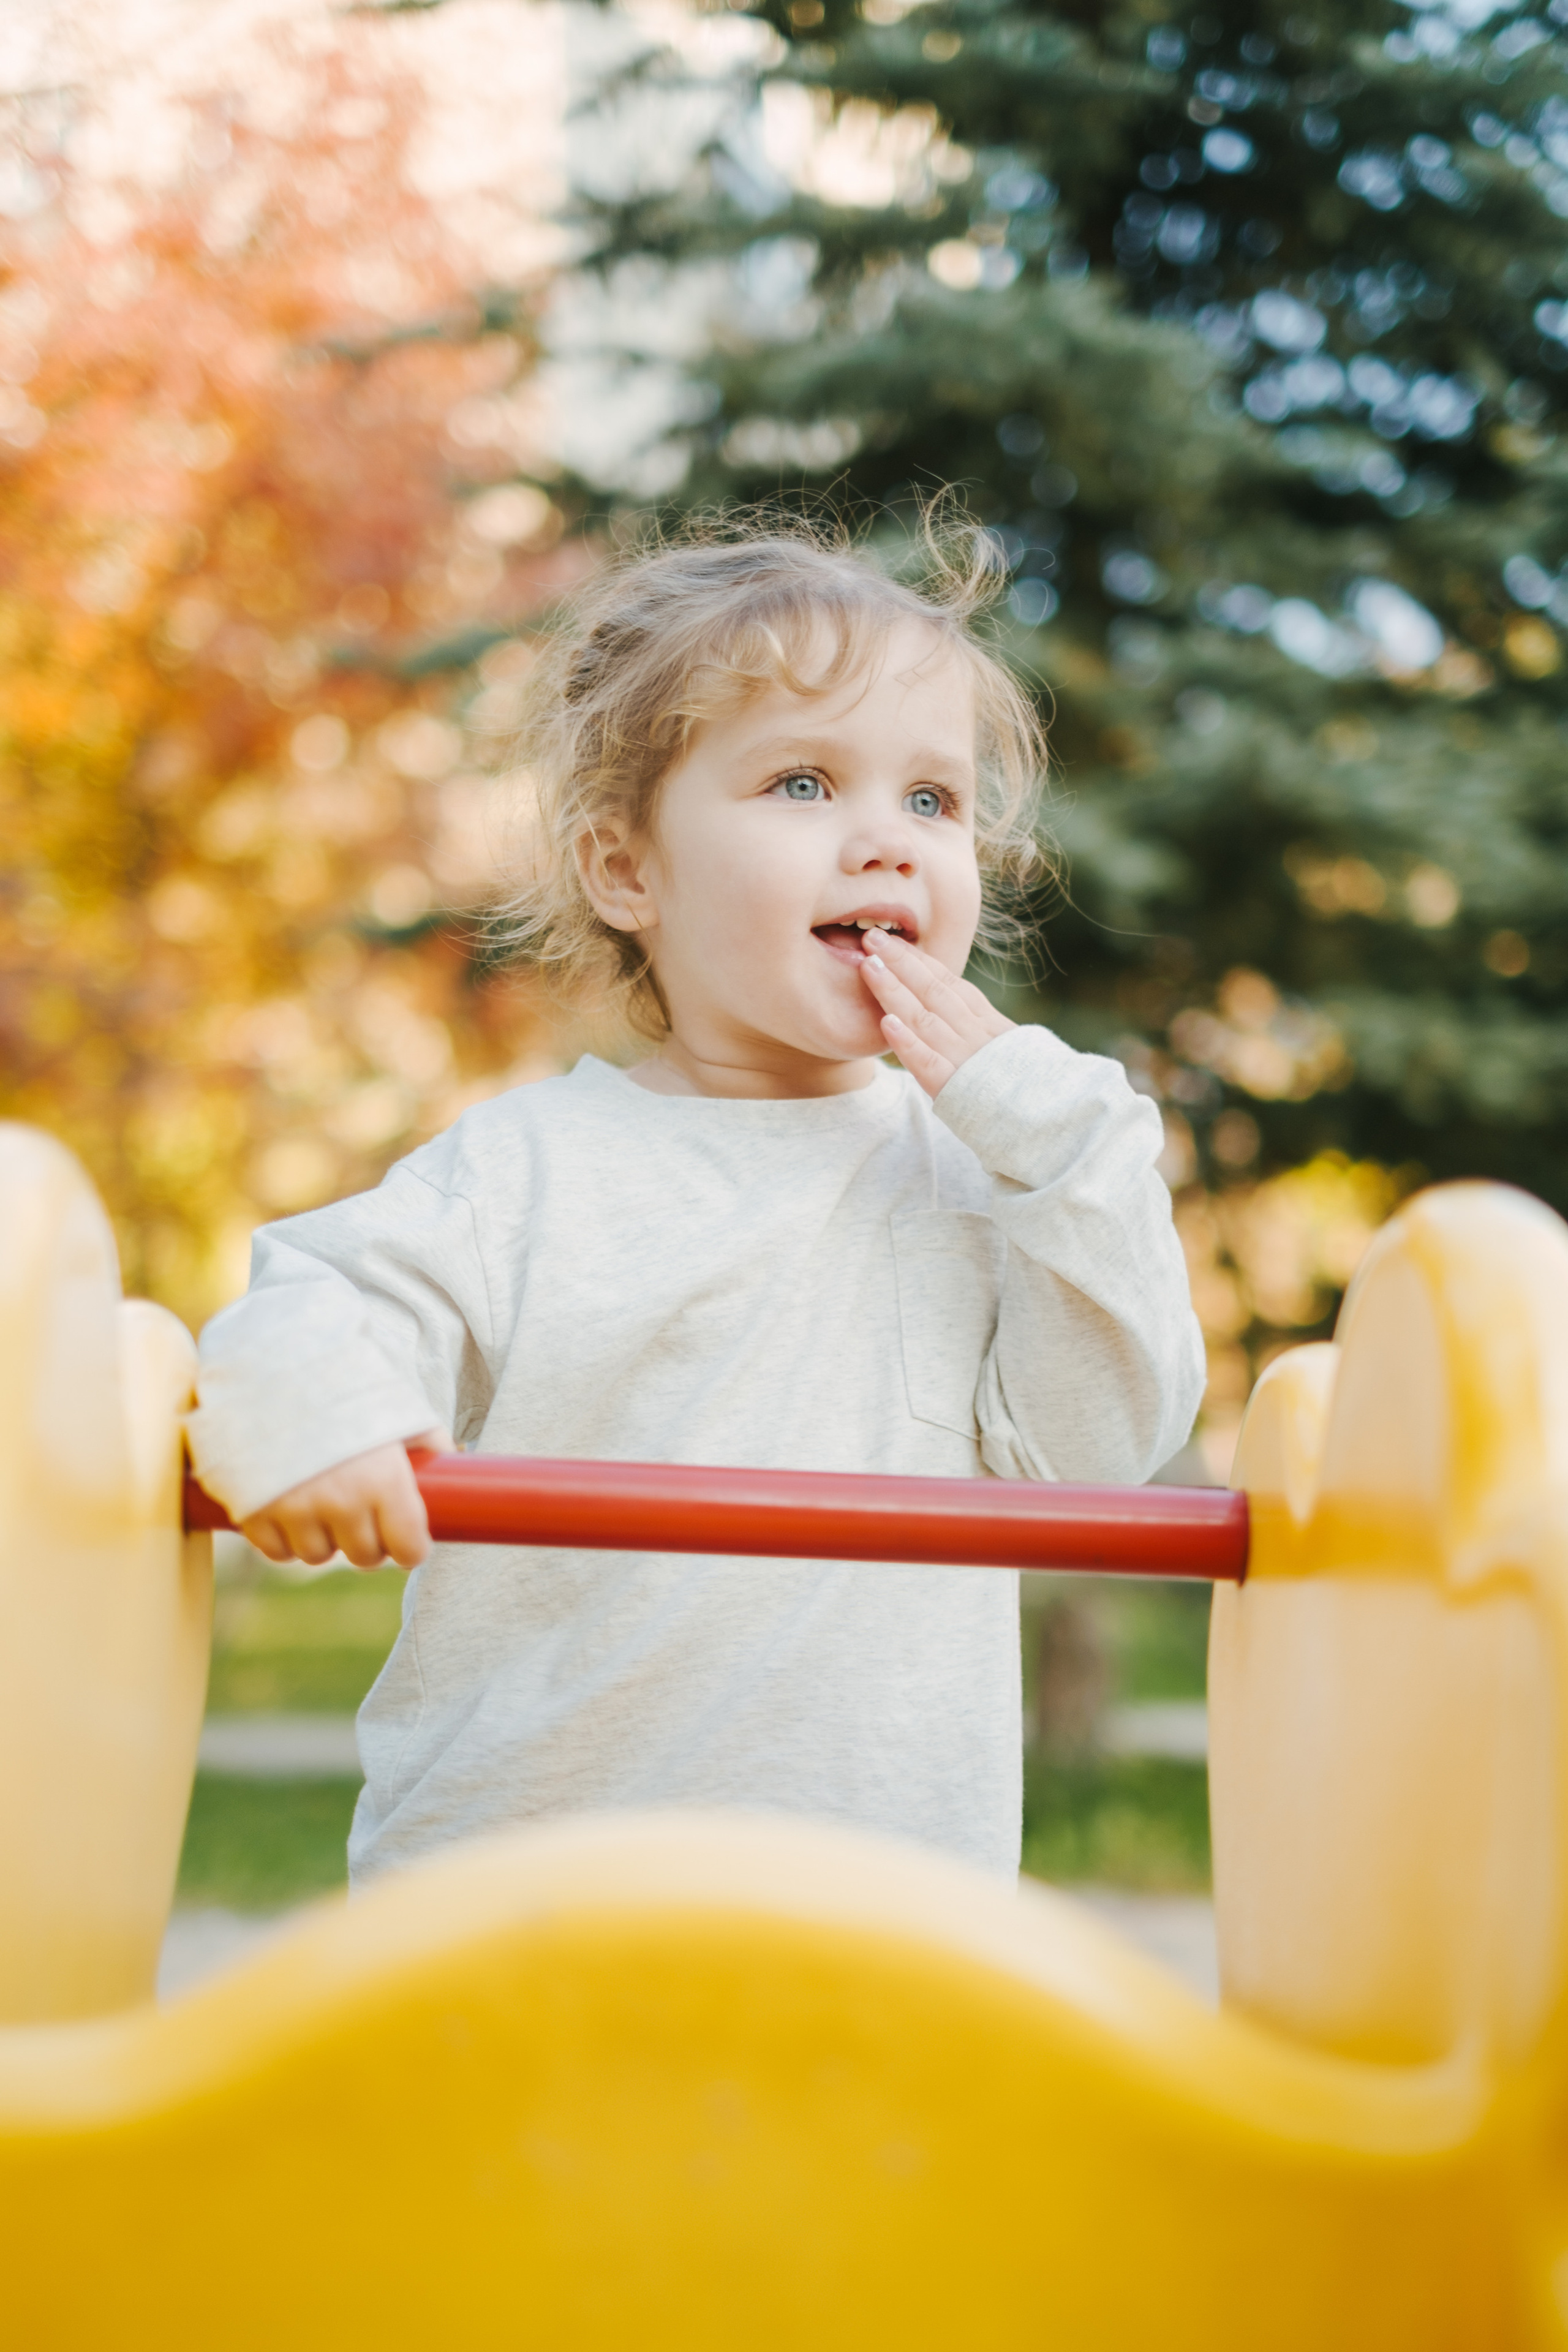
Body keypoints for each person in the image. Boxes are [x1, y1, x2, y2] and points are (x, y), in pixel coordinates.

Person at [187, 518, 1206, 1887]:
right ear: (627, 872)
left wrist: (1055, 1136)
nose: (887, 844)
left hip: (882, 1937)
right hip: (527, 1919)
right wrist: (324, 1423)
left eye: (932, 801)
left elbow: (1100, 1451)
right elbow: (311, 1302)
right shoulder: (528, 1171)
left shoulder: (995, 1180)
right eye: (801, 782)